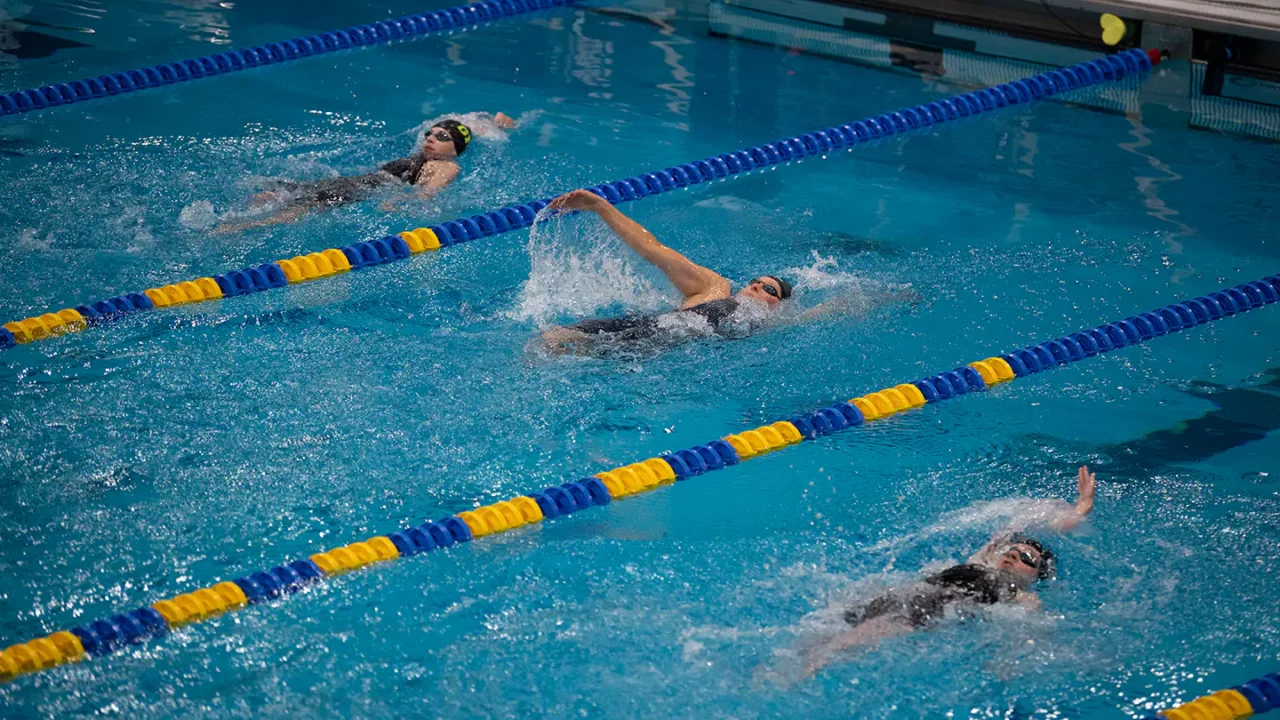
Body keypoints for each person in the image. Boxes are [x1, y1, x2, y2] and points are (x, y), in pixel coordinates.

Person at [800, 465, 1098, 677]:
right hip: (906, 593)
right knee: (825, 629)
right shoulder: (981, 561)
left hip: (925, 610)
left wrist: (1006, 663)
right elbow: (1022, 524)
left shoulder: (1022, 597)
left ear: (1037, 576)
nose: (1013, 556)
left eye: (1026, 559)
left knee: (839, 645)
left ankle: (801, 676)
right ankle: (784, 669)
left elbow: (1029, 633)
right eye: (1012, 551)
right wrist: (1075, 510)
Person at [537, 188, 799, 355]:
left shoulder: (770, 325)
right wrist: (598, 205)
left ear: (780, 306)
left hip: (657, 351)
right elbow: (652, 248)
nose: (755, 286)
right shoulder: (715, 289)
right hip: (645, 329)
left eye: (768, 289)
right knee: (551, 339)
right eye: (756, 281)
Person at [215, 112, 515, 233]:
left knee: (302, 208)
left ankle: (237, 228)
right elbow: (467, 124)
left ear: (457, 148)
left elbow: (428, 192)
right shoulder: (428, 155)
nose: (430, 139)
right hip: (355, 181)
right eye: (429, 134)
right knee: (275, 192)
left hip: (363, 190)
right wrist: (498, 124)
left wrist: (400, 202)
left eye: (440, 137)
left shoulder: (448, 166)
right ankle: (237, 219)